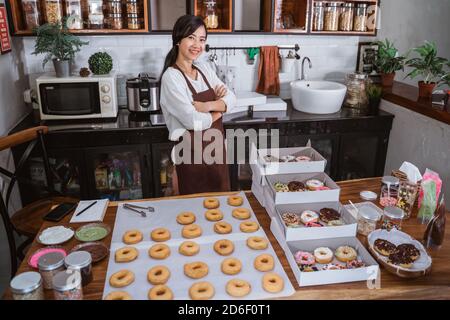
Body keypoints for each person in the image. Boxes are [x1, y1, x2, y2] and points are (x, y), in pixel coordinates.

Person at [160, 15, 236, 195]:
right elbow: (193, 121)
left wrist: (207, 106)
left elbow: (232, 99)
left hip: (217, 154)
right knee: (194, 210)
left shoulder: (204, 69)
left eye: (201, 39)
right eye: (191, 38)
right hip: (191, 157)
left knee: (221, 206)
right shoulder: (172, 77)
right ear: (178, 40)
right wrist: (219, 110)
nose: (197, 45)